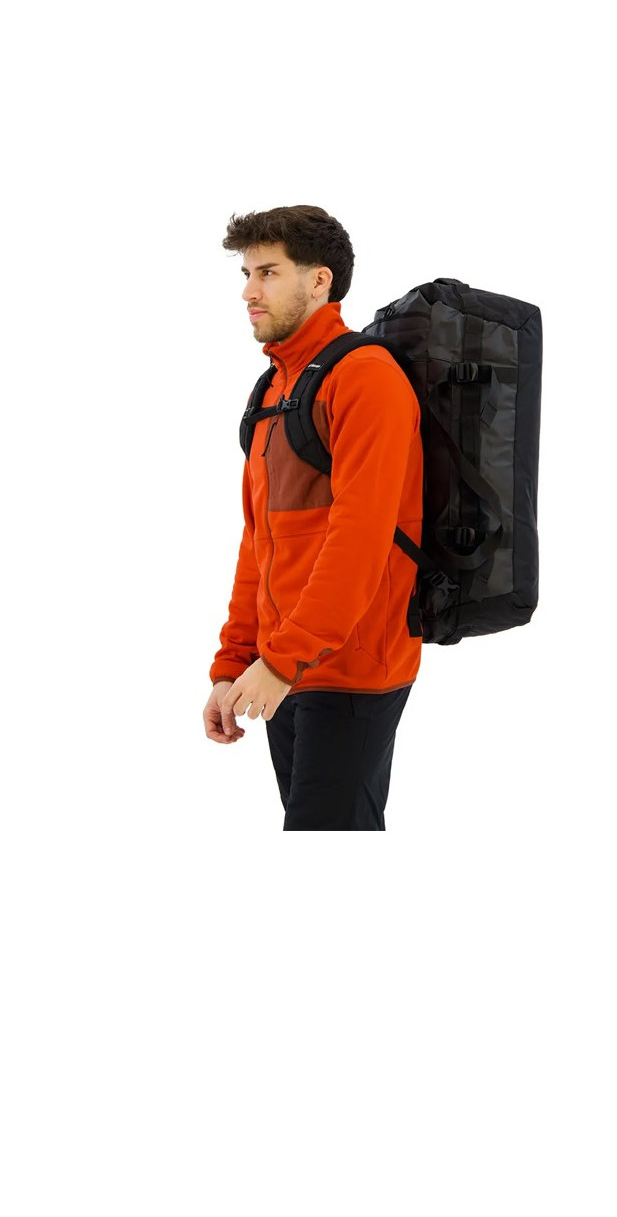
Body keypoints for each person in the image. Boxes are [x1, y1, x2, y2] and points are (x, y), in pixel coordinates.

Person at [202, 205, 423, 830]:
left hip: (352, 668)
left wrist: (280, 661)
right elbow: (259, 543)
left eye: (268, 272)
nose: (249, 291)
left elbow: (360, 541)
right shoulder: (275, 390)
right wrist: (235, 662)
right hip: (285, 667)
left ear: (319, 280)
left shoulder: (365, 378)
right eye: (246, 274)